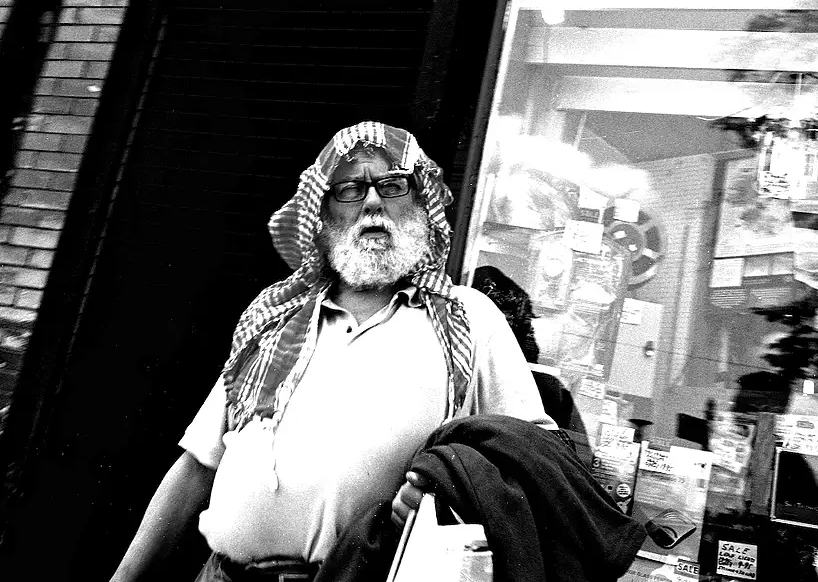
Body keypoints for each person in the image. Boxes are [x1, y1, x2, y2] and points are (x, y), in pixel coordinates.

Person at [109, 122, 555, 582]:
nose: (373, 201)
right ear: (322, 218)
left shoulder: (468, 318)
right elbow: (197, 467)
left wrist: (450, 490)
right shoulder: (277, 319)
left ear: (422, 204)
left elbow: (532, 463)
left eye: (393, 185)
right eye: (350, 189)